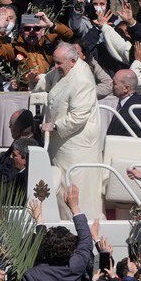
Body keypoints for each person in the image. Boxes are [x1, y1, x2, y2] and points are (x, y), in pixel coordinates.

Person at [34, 42, 101, 218]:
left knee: (75, 191)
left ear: (72, 61)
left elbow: (79, 116)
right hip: (62, 145)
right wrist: (36, 79)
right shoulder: (63, 68)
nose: (55, 67)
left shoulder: (82, 80)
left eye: (58, 64)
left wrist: (55, 125)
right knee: (61, 189)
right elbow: (49, 80)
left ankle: (82, 230)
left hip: (76, 146)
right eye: (54, 62)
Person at [20, 184, 91, 281]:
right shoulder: (76, 266)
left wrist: (39, 219)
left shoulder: (33, 275)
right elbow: (86, 239)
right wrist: (74, 207)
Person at [107, 69, 141, 137]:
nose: (111, 85)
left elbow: (134, 138)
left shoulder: (135, 109)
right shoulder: (129, 102)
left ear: (126, 88)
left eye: (114, 83)